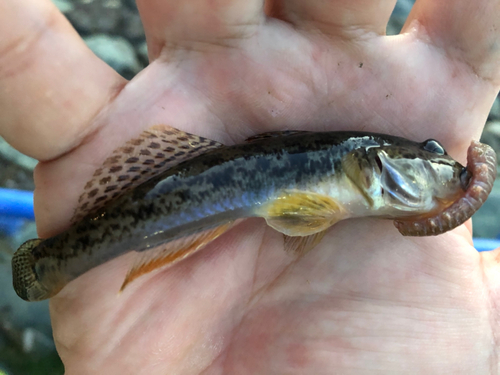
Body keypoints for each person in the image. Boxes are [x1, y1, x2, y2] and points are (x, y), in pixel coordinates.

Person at [1, 0, 500, 373]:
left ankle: (56, 261)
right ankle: (55, 261)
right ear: (379, 161)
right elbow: (298, 216)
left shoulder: (365, 182)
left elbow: (299, 216)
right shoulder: (360, 169)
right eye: (432, 156)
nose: (448, 168)